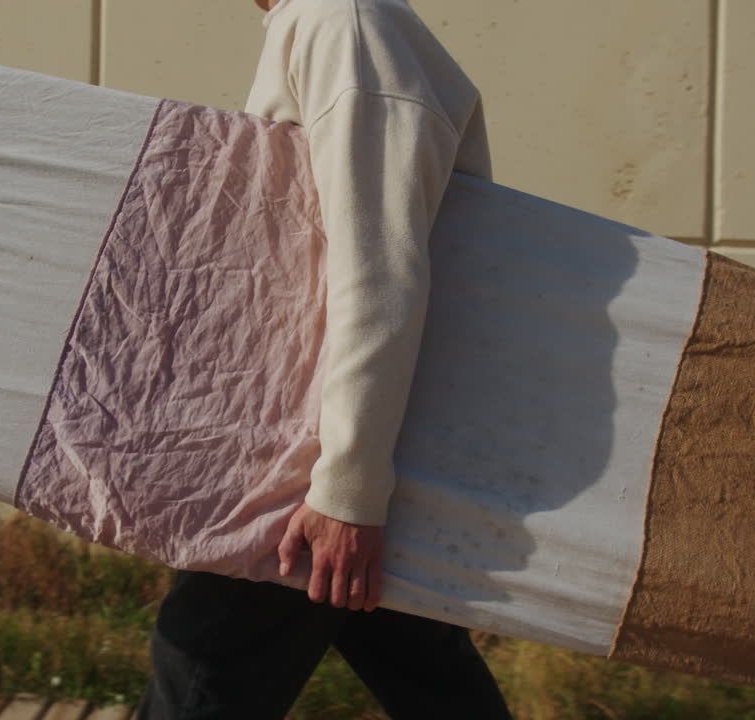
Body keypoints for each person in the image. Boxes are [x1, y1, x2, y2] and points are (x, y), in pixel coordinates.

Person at [137, 0, 511, 717]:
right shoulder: (329, 21)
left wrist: (347, 493)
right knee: (431, 680)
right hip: (339, 449)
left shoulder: (344, 23)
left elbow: (380, 269)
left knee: (203, 663)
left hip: (307, 466)